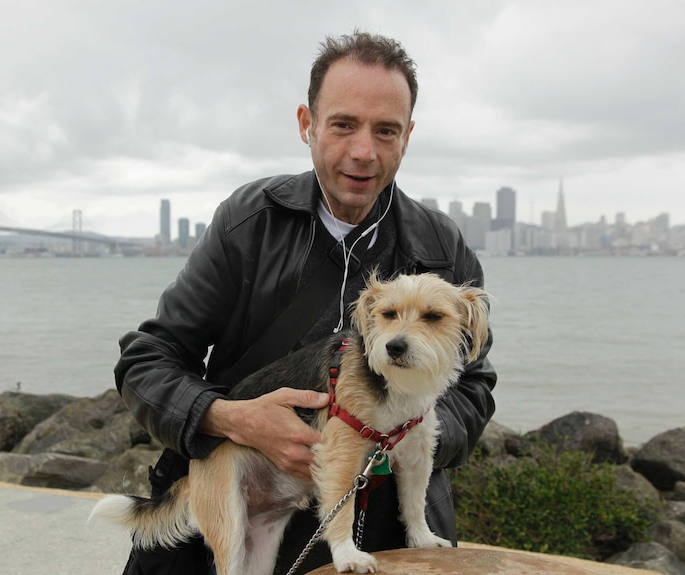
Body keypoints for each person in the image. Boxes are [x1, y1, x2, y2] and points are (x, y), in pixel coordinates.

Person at [115, 30, 497, 575]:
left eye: (385, 130)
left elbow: (475, 386)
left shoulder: (443, 247)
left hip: (381, 523)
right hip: (235, 495)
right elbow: (146, 360)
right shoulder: (247, 221)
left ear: (407, 137)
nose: (363, 151)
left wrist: (396, 435)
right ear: (306, 124)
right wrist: (227, 418)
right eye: (343, 124)